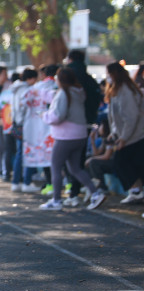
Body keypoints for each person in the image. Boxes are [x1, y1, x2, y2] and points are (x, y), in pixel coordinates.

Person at [40, 67, 106, 210]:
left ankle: (56, 200)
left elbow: (58, 115)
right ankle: (95, 193)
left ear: (60, 80)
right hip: (80, 135)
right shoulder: (77, 92)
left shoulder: (63, 93)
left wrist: (44, 116)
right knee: (75, 168)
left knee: (56, 167)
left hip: (65, 137)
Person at [64, 49, 102, 206]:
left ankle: (74, 192)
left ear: (70, 59)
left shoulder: (68, 78)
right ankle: (83, 187)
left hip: (68, 127)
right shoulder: (89, 79)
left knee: (67, 162)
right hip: (85, 124)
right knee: (77, 160)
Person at [105, 62, 144, 209]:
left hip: (134, 135)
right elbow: (117, 117)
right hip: (129, 135)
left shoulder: (125, 91)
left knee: (121, 163)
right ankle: (136, 190)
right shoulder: (119, 90)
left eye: (109, 74)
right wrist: (114, 132)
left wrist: (123, 138)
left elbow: (130, 117)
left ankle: (136, 190)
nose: (107, 77)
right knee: (132, 164)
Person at [20, 66, 57, 193]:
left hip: (35, 130)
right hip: (55, 128)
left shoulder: (35, 88)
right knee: (59, 159)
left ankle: (50, 185)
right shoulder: (58, 88)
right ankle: (67, 185)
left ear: (43, 74)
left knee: (45, 158)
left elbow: (22, 103)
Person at [0, 72, 20, 181]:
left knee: (8, 150)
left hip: (7, 126)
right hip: (19, 126)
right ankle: (19, 174)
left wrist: (4, 118)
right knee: (18, 150)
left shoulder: (5, 93)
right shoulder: (20, 92)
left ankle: (7, 173)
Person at [84, 118, 115, 193]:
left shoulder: (110, 138)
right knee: (88, 159)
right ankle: (92, 185)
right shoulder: (104, 139)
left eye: (101, 126)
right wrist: (92, 139)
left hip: (115, 163)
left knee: (93, 162)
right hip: (109, 162)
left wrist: (92, 159)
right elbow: (96, 153)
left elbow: (107, 156)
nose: (99, 128)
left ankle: (102, 187)